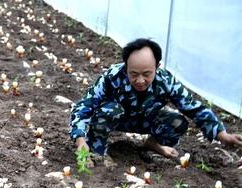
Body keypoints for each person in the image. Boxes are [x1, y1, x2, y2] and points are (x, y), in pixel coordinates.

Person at [70, 38, 242, 166]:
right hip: (114, 119)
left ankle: (153, 144)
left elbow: (193, 107)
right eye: (133, 74)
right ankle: (96, 150)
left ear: (157, 67)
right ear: (125, 66)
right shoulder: (112, 77)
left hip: (146, 120)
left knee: (178, 122)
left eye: (146, 74)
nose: (139, 80)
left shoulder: (165, 81)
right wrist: (80, 139)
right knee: (110, 110)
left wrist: (221, 133)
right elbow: (84, 106)